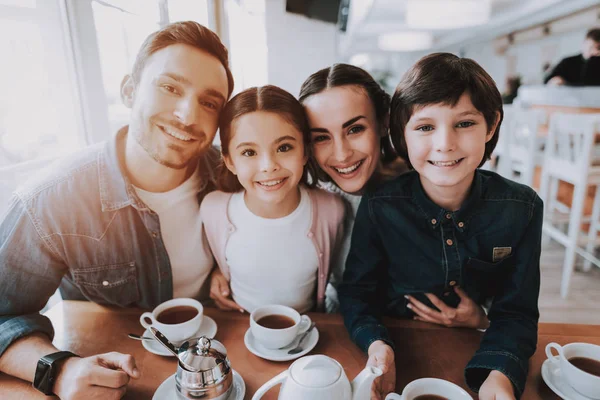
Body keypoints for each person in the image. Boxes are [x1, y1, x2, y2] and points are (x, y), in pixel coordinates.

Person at [0, 21, 233, 399]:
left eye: (209, 102)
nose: (188, 115)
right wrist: (58, 370)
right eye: (170, 87)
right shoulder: (53, 198)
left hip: (215, 365)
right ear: (129, 90)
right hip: (115, 375)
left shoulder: (231, 175)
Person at [339, 53, 542, 400]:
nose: (445, 143)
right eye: (425, 127)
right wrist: (376, 343)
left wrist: (501, 373)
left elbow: (517, 312)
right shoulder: (380, 206)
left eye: (464, 123)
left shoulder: (521, 208)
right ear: (401, 134)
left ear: (491, 125)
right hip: (396, 350)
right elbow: (357, 293)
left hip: (476, 348)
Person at [208, 64, 406, 313]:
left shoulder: (419, 192)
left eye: (355, 129)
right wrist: (225, 267)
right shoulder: (320, 196)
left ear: (383, 123)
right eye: (321, 137)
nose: (342, 154)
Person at [200, 85, 345, 313]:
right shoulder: (213, 209)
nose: (269, 166)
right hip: (241, 331)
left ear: (305, 152)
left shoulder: (331, 210)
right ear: (229, 161)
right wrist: (217, 273)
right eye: (249, 152)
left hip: (308, 332)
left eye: (284, 147)